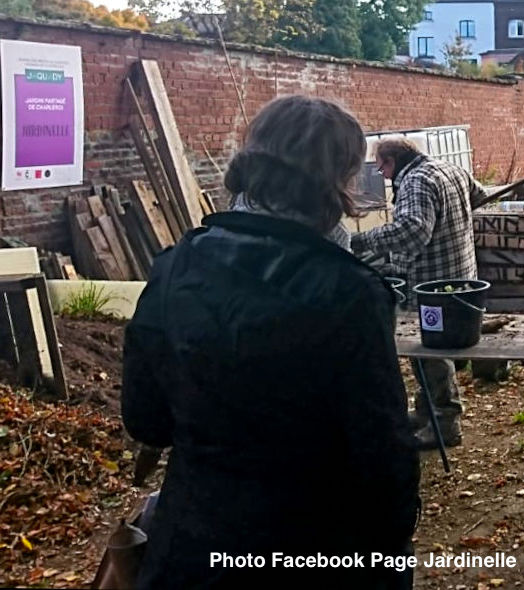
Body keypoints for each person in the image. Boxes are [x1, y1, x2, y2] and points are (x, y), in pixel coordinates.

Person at [122, 96, 420, 589]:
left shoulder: (175, 266)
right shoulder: (349, 290)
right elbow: (383, 457)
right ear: (340, 179)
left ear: (251, 162)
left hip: (194, 551)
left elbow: (146, 420)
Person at [352, 138, 486, 449]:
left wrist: (362, 240)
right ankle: (427, 412)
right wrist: (451, 217)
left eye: (383, 166)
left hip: (430, 283)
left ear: (395, 159)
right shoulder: (450, 168)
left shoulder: (415, 181)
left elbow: (411, 232)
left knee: (430, 351)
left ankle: (444, 423)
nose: (383, 175)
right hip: (460, 274)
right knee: (431, 348)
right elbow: (477, 196)